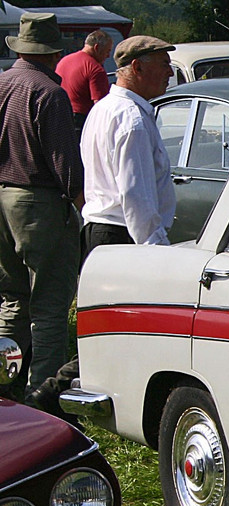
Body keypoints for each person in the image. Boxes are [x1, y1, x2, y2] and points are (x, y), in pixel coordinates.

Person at [0, 13, 84, 401]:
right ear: (53, 53)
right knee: (49, 305)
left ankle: (6, 378)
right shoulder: (49, 94)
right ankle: (43, 395)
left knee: (13, 299)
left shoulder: (2, 83)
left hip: (1, 197)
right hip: (37, 202)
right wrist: (80, 206)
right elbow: (64, 162)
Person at [81, 35, 176, 251]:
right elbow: (136, 195)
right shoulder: (132, 119)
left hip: (102, 232)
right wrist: (155, 246)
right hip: (122, 235)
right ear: (137, 67)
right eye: (164, 65)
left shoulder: (103, 108)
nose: (170, 73)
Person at [56, 29, 113, 135]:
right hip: (81, 122)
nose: (108, 55)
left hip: (59, 116)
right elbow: (101, 105)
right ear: (96, 48)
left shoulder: (64, 61)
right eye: (107, 51)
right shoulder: (96, 69)